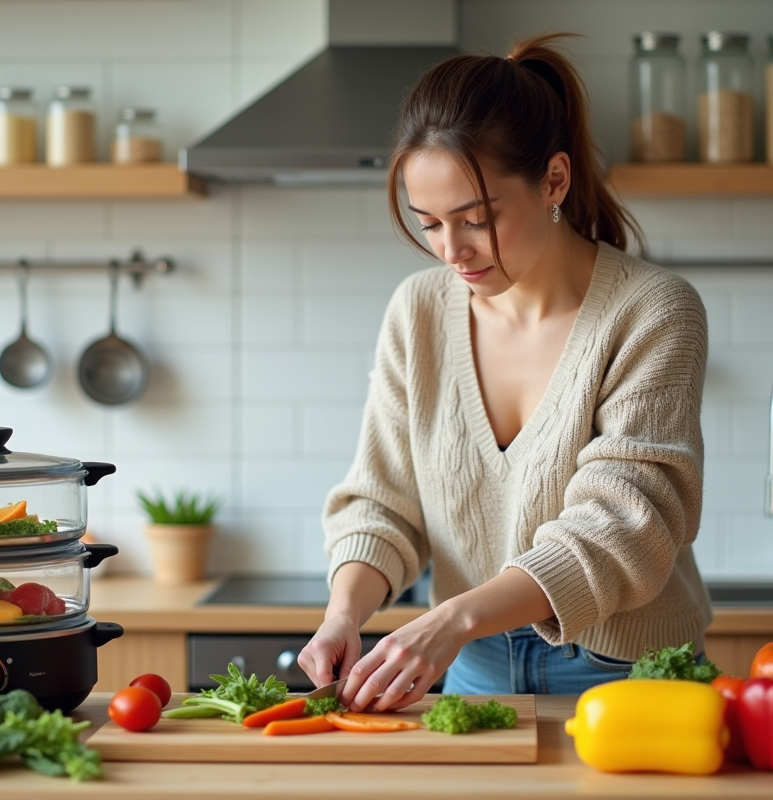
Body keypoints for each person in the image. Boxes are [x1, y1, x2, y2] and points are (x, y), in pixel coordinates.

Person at [297, 33, 712, 712]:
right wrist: (346, 613)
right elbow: (383, 500)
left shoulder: (652, 311)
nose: (451, 251)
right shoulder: (419, 311)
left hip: (625, 672)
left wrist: (453, 618)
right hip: (475, 668)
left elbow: (624, 523)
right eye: (428, 223)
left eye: (477, 219)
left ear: (554, 179)